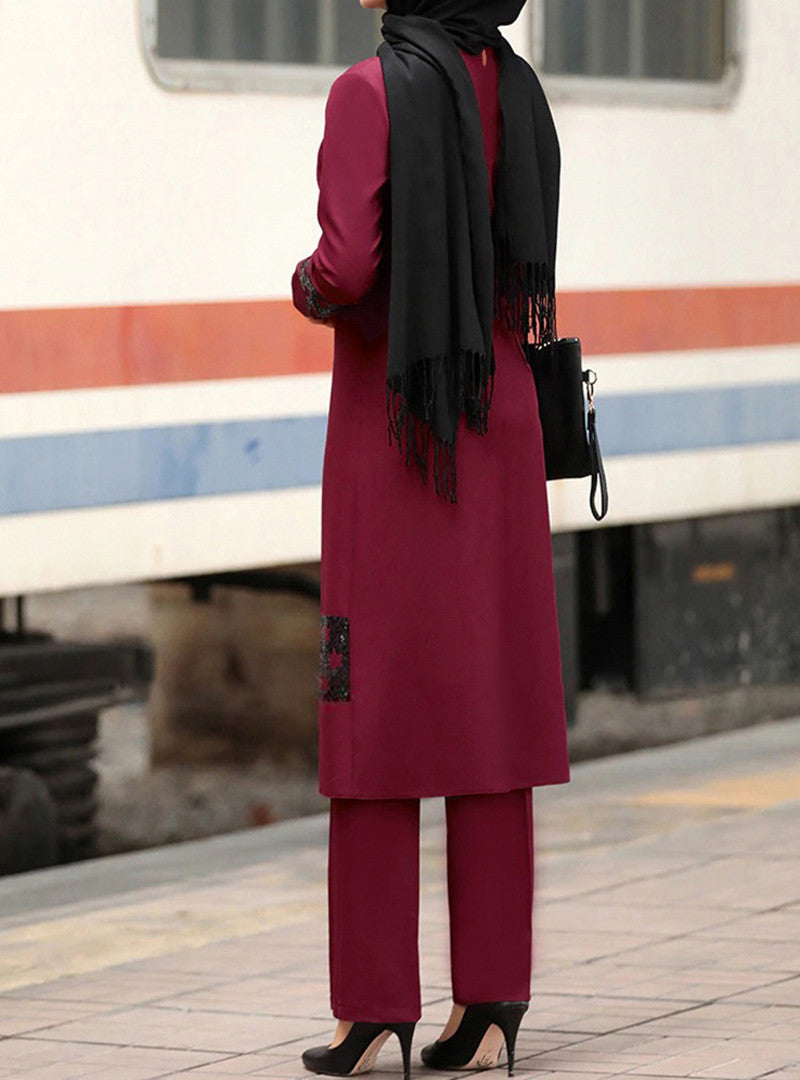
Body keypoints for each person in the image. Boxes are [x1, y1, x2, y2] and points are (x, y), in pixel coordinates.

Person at [290, 1, 571, 1076]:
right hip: (500, 426)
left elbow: (347, 267)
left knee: (371, 711)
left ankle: (372, 1012)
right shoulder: (519, 88)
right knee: (488, 705)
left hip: (397, 432)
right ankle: (491, 1003)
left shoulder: (369, 91)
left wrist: (303, 286)